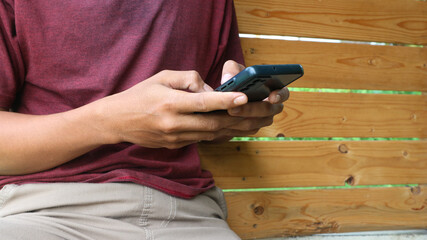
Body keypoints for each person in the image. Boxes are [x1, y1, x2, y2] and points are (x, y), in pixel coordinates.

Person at [0, 1, 289, 239]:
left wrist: (236, 112)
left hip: (187, 214)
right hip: (45, 212)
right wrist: (108, 122)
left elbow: (213, 123)